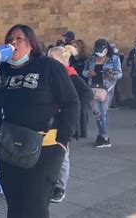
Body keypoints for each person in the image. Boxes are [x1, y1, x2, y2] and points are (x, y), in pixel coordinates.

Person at [0, 24, 79, 217]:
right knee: (15, 207)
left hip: (44, 150)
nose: (13, 42)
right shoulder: (0, 71)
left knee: (35, 208)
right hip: (8, 148)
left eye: (18, 38)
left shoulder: (49, 66)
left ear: (31, 44)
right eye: (9, 38)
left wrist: (63, 142)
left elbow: (72, 102)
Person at [47, 46, 93, 203]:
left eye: (53, 60)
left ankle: (60, 187)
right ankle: (50, 182)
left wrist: (74, 110)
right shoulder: (50, 75)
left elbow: (87, 93)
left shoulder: (71, 76)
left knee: (62, 154)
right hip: (51, 120)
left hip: (64, 121)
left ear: (64, 61)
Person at [83, 39, 122, 148]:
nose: (99, 53)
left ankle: (105, 138)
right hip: (93, 87)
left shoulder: (114, 59)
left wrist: (112, 74)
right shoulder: (91, 59)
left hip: (106, 89)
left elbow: (119, 74)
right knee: (96, 113)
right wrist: (88, 73)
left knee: (102, 113)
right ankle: (101, 134)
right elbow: (84, 72)